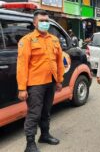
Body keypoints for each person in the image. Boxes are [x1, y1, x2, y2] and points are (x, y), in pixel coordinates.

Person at [17, 10, 64, 152]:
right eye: (42, 20)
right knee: (34, 113)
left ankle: (45, 135)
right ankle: (30, 143)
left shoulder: (54, 40)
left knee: (46, 111)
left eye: (46, 20)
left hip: (50, 82)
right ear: (35, 23)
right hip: (35, 84)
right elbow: (22, 65)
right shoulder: (27, 40)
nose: (45, 23)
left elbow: (59, 62)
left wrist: (59, 80)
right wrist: (22, 88)